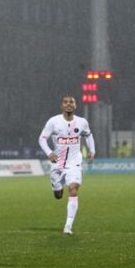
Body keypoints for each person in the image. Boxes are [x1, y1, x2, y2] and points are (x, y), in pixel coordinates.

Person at [38, 95, 95, 235]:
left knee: (74, 188)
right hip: (57, 164)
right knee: (58, 195)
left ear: (75, 105)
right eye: (65, 102)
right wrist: (49, 152)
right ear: (61, 106)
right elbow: (42, 139)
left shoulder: (82, 122)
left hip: (74, 164)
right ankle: (58, 188)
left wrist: (92, 150)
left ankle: (68, 226)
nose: (68, 104)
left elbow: (88, 135)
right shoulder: (53, 121)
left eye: (71, 102)